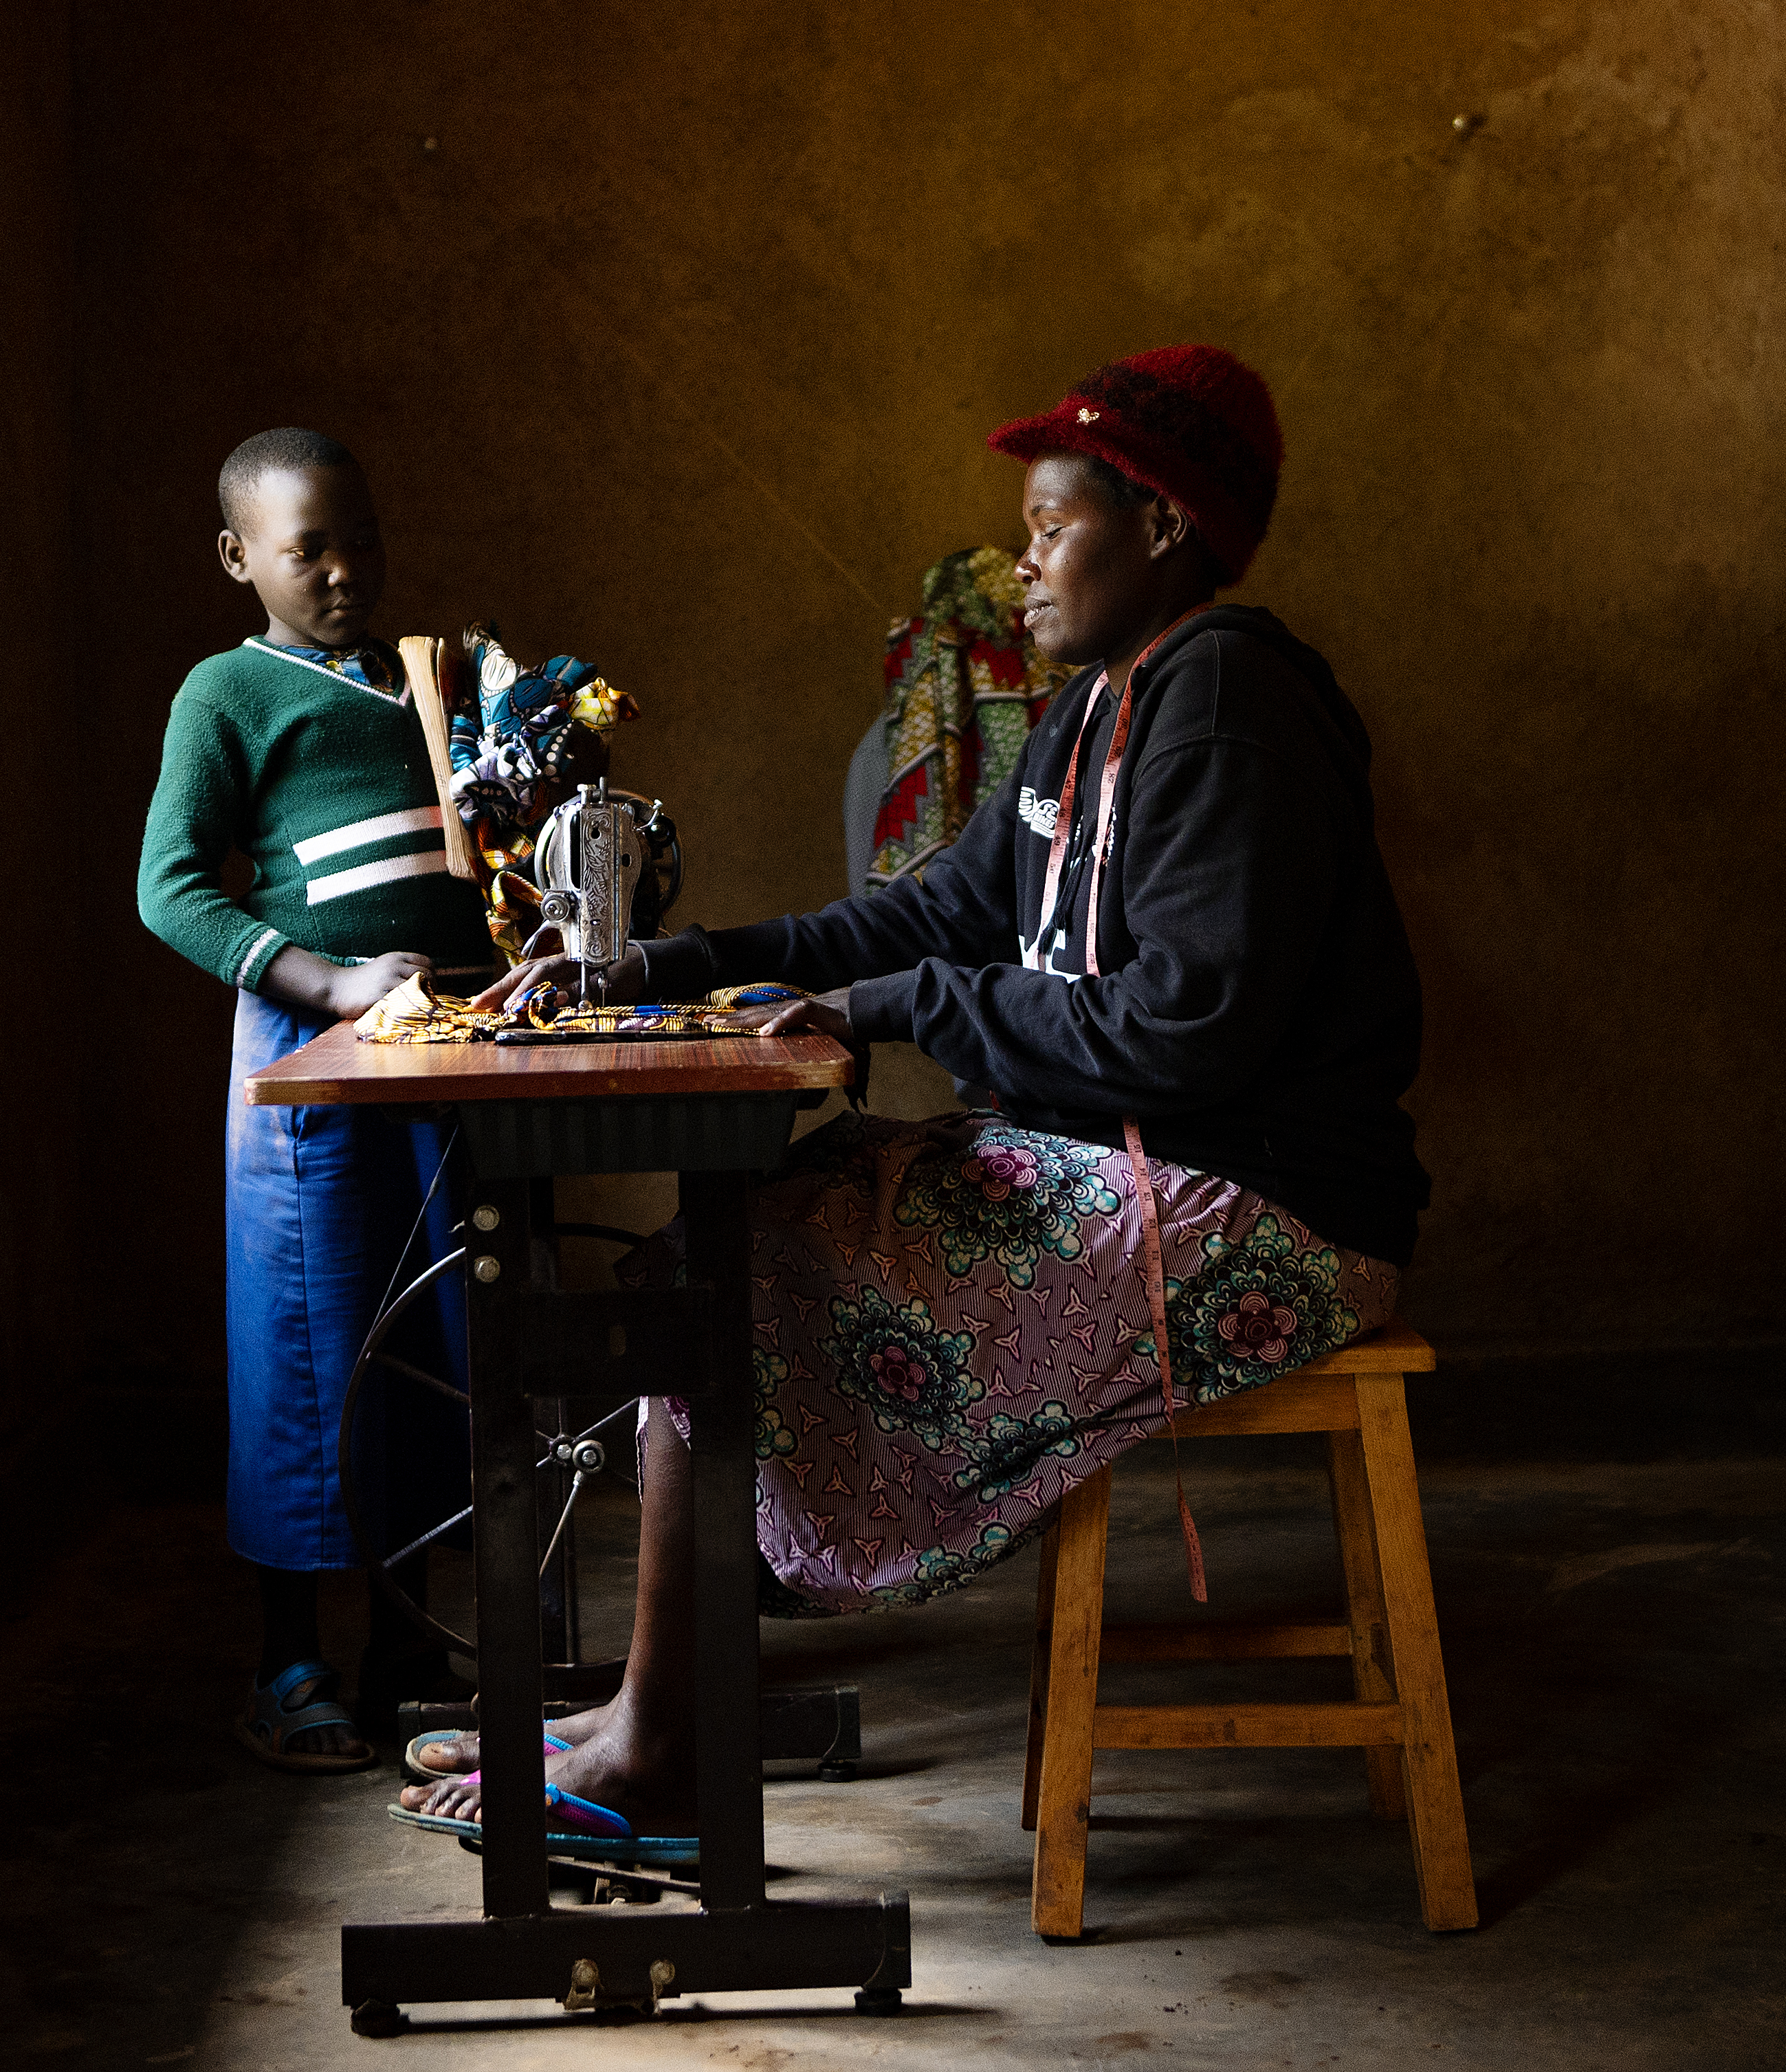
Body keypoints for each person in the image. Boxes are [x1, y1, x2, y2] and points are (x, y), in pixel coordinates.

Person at [395, 344, 1426, 1859]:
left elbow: (1184, 1034)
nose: (1020, 566)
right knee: (708, 1251)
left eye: (1050, 526)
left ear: (1159, 526)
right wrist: (661, 966)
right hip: (1141, 1173)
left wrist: (883, 1012)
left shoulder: (1232, 702)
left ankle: (659, 1736)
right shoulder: (1088, 716)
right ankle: (664, 1714)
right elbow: (918, 913)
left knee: (716, 1274)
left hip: (1265, 1215)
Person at [138, 428, 480, 1772]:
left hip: (439, 1058)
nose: (345, 570)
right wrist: (327, 981)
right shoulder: (225, 692)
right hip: (309, 1071)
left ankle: (409, 1644)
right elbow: (170, 887)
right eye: (308, 549)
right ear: (238, 559)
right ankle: (288, 1660)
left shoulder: (423, 686)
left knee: (434, 1346)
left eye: (363, 541)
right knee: (306, 1350)